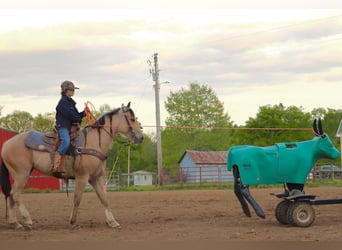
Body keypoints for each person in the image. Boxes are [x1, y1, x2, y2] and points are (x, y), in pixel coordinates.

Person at [53, 80, 86, 172]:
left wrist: (84, 113)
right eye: (71, 90)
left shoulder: (71, 102)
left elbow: (76, 115)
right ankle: (56, 160)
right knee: (66, 141)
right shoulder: (63, 102)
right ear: (65, 90)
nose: (73, 91)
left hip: (69, 127)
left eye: (73, 90)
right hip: (63, 126)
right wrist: (78, 119)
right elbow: (70, 115)